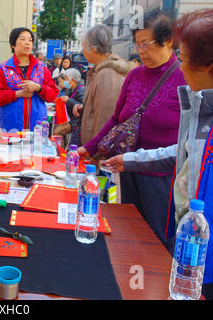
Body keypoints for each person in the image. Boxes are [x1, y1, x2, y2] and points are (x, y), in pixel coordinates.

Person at [104, 9, 213, 299]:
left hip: (199, 245)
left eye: (186, 60)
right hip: (190, 241)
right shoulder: (201, 105)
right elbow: (183, 152)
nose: (182, 68)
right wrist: (127, 160)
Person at [78, 11, 186, 249]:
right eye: (138, 44)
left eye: (147, 43)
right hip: (126, 169)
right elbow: (116, 120)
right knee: (129, 233)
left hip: (161, 178)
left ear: (168, 41)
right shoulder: (134, 75)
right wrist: (90, 148)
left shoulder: (185, 77)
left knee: (158, 239)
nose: (141, 50)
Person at [72, 24, 131, 149]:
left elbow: (105, 119)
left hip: (97, 153)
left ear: (93, 49)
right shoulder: (102, 71)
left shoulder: (107, 74)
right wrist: (86, 108)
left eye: (83, 46)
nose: (82, 51)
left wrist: (96, 153)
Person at [0, 27, 59, 132]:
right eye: (23, 39)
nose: (27, 43)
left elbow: (53, 94)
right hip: (10, 128)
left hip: (36, 128)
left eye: (30, 40)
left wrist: (38, 88)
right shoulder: (3, 69)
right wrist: (18, 94)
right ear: (13, 44)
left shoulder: (41, 68)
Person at [54, 68, 85, 147]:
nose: (65, 81)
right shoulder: (71, 89)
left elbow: (83, 106)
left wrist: (69, 100)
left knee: (57, 131)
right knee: (57, 127)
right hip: (70, 119)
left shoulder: (80, 90)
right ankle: (62, 149)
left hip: (76, 122)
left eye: (67, 79)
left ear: (72, 80)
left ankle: (60, 152)